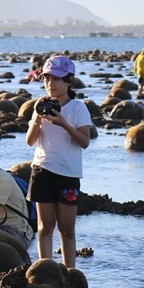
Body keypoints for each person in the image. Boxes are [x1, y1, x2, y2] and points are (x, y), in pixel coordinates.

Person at [24, 55, 92, 269]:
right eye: (46, 79)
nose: (50, 84)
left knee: (67, 228)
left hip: (68, 175)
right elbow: (30, 141)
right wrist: (36, 118)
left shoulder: (78, 108)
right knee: (44, 227)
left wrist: (63, 123)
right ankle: (46, 270)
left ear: (69, 81)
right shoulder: (40, 106)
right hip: (42, 171)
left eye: (56, 79)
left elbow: (84, 141)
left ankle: (70, 271)